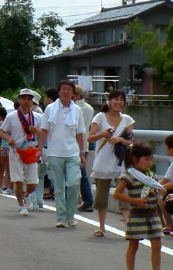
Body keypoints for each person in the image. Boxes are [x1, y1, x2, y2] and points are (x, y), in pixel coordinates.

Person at [112, 143, 169, 270]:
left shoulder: (151, 175)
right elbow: (117, 193)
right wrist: (134, 201)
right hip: (137, 214)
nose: (150, 163)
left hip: (152, 213)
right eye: (146, 159)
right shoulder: (129, 175)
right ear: (136, 159)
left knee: (157, 244)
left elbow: (155, 188)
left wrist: (158, 192)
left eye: (151, 159)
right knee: (134, 245)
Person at [38, 80, 86, 228]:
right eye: (63, 89)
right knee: (59, 187)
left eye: (69, 89)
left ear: (73, 93)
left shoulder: (77, 110)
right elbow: (44, 130)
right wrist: (39, 149)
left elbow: (80, 133)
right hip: (55, 153)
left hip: (72, 153)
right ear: (59, 92)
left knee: (73, 183)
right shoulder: (50, 109)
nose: (66, 91)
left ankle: (70, 215)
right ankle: (60, 217)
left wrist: (82, 153)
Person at [87, 89, 134, 236]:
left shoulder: (127, 119)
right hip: (102, 162)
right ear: (109, 100)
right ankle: (101, 226)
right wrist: (103, 134)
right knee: (102, 197)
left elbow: (131, 142)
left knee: (124, 195)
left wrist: (120, 139)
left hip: (120, 162)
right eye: (116, 99)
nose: (118, 102)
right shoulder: (100, 117)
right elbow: (90, 138)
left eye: (121, 100)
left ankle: (128, 228)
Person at [0, 89, 42, 216]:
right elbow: (1, 131)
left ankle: (26, 194)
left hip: (31, 150)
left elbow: (45, 133)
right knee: (18, 181)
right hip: (16, 151)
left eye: (29, 99)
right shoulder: (11, 116)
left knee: (33, 183)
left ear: (32, 101)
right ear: (19, 100)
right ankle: (21, 205)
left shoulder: (38, 117)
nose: (26, 101)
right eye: (23, 98)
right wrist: (9, 139)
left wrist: (36, 130)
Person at [73, 85, 94, 212]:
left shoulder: (74, 109)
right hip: (84, 145)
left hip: (73, 145)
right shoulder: (90, 108)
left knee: (74, 174)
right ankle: (88, 201)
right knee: (83, 174)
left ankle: (85, 201)